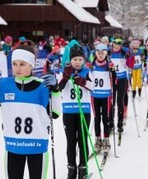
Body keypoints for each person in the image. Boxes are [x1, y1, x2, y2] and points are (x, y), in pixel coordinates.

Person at [0, 44, 61, 179]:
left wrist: (55, 90)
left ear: (32, 64)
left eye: (22, 64)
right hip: (13, 146)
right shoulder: (4, 85)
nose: (17, 68)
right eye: (14, 64)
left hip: (37, 146)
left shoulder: (42, 85)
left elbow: (55, 113)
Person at [59, 44, 94, 179]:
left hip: (83, 111)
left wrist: (83, 81)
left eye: (80, 59)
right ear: (70, 60)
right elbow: (58, 87)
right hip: (68, 111)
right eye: (75, 60)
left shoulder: (87, 72)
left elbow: (93, 88)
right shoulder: (65, 71)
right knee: (71, 141)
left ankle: (83, 168)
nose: (77, 62)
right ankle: (71, 169)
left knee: (83, 140)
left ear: (83, 60)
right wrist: (66, 77)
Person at [90, 43, 112, 153]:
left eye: (103, 53)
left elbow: (115, 78)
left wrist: (112, 71)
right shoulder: (92, 65)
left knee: (105, 118)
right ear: (95, 54)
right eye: (98, 53)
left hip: (106, 96)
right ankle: (98, 139)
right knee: (97, 118)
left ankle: (106, 139)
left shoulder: (109, 65)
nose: (100, 55)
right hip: (94, 96)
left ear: (106, 54)